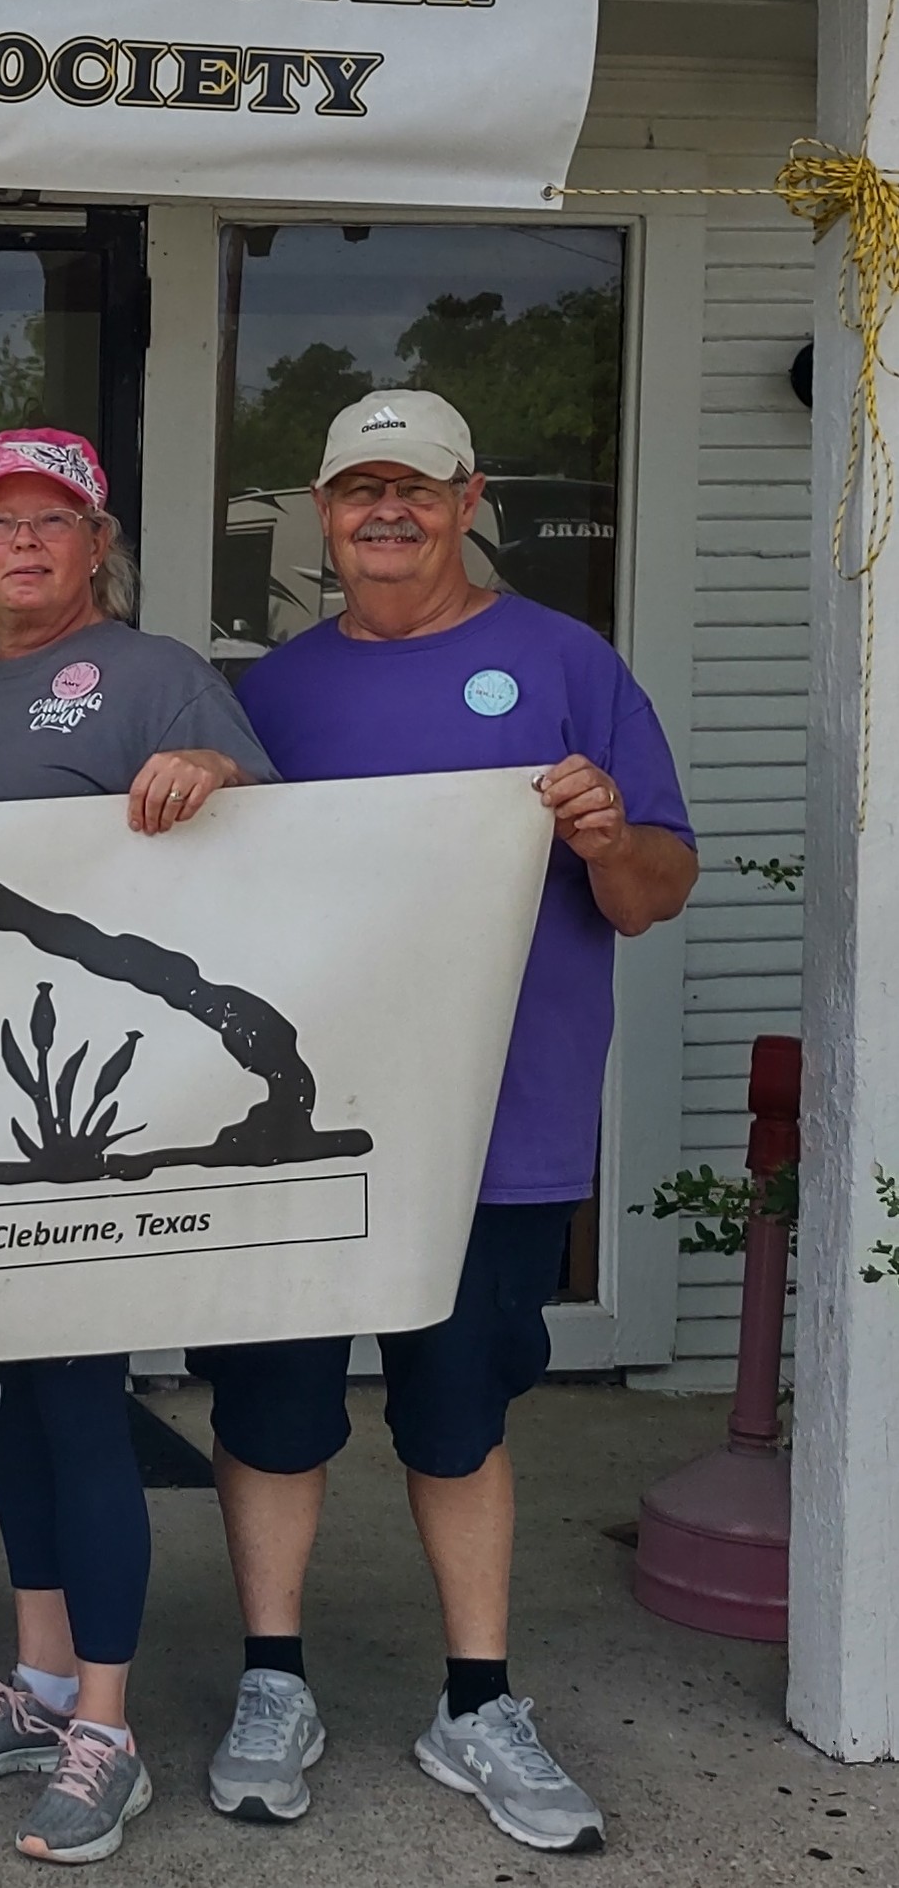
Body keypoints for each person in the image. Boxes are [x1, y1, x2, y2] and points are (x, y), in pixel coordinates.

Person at [191, 390, 696, 1856]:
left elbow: (655, 892)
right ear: (322, 511)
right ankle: (271, 1683)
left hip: (498, 1120)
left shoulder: (564, 662)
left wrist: (608, 837)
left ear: (468, 501)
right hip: (300, 1128)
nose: (387, 513)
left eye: (415, 488)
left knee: (458, 1413)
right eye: (360, 490)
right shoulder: (270, 695)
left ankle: (475, 1701)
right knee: (272, 1405)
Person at [0, 427, 269, 1868]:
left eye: (54, 520)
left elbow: (276, 835)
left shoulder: (154, 672)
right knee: (11, 1398)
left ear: (98, 543)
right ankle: (41, 1683)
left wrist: (210, 769)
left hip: (92, 1108)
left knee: (83, 1403)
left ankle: (107, 1727)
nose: (25, 544)